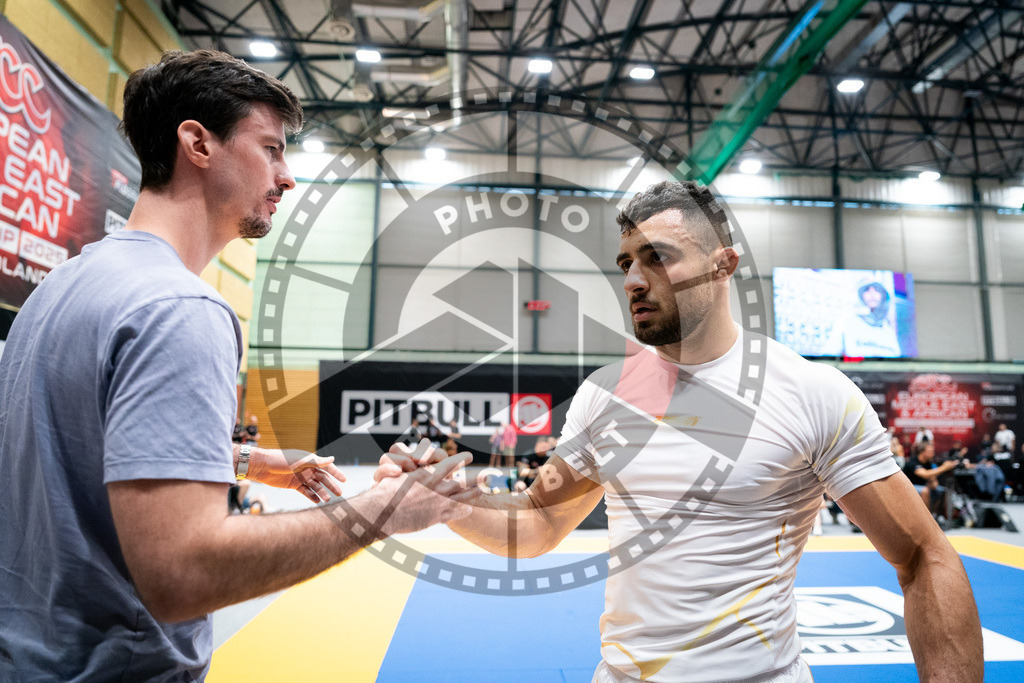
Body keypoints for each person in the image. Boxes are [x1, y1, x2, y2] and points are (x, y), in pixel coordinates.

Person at [379, 180, 982, 682]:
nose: (634, 280)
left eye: (658, 257)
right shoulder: (606, 394)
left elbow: (925, 557)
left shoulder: (811, 391)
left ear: (724, 265)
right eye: (626, 263)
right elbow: (538, 521)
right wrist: (447, 502)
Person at [0, 50, 476, 680]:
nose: (287, 177)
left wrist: (250, 462)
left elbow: (81, 449)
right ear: (197, 143)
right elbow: (183, 573)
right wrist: (388, 510)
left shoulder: (63, 288)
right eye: (271, 149)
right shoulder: (180, 308)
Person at [826, 278, 902, 357]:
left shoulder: (888, 330)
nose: (872, 294)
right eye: (867, 290)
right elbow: (829, 355)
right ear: (860, 295)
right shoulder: (847, 322)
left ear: (884, 296)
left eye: (877, 290)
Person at [903, 441, 958, 520]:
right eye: (930, 451)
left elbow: (932, 478)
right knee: (925, 491)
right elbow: (925, 474)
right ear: (922, 452)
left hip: (922, 487)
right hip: (907, 488)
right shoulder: (912, 462)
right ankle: (926, 520)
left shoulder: (928, 463)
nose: (933, 453)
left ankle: (937, 516)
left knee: (942, 491)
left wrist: (933, 483)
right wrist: (945, 467)